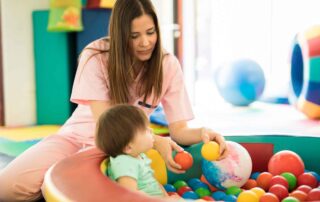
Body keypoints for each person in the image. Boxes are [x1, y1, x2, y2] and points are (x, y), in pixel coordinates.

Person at [0, 0, 227, 201]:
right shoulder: (96, 56)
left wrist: (203, 133)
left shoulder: (167, 64)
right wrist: (156, 141)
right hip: (80, 138)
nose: (145, 42)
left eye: (150, 32)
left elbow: (178, 130)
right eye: (134, 36)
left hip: (124, 149)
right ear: (119, 34)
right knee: (7, 190)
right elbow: (105, 127)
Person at [96, 104, 167, 197]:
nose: (151, 131)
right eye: (145, 130)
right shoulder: (124, 163)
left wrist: (166, 197)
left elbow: (153, 182)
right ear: (128, 147)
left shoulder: (139, 155)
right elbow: (130, 195)